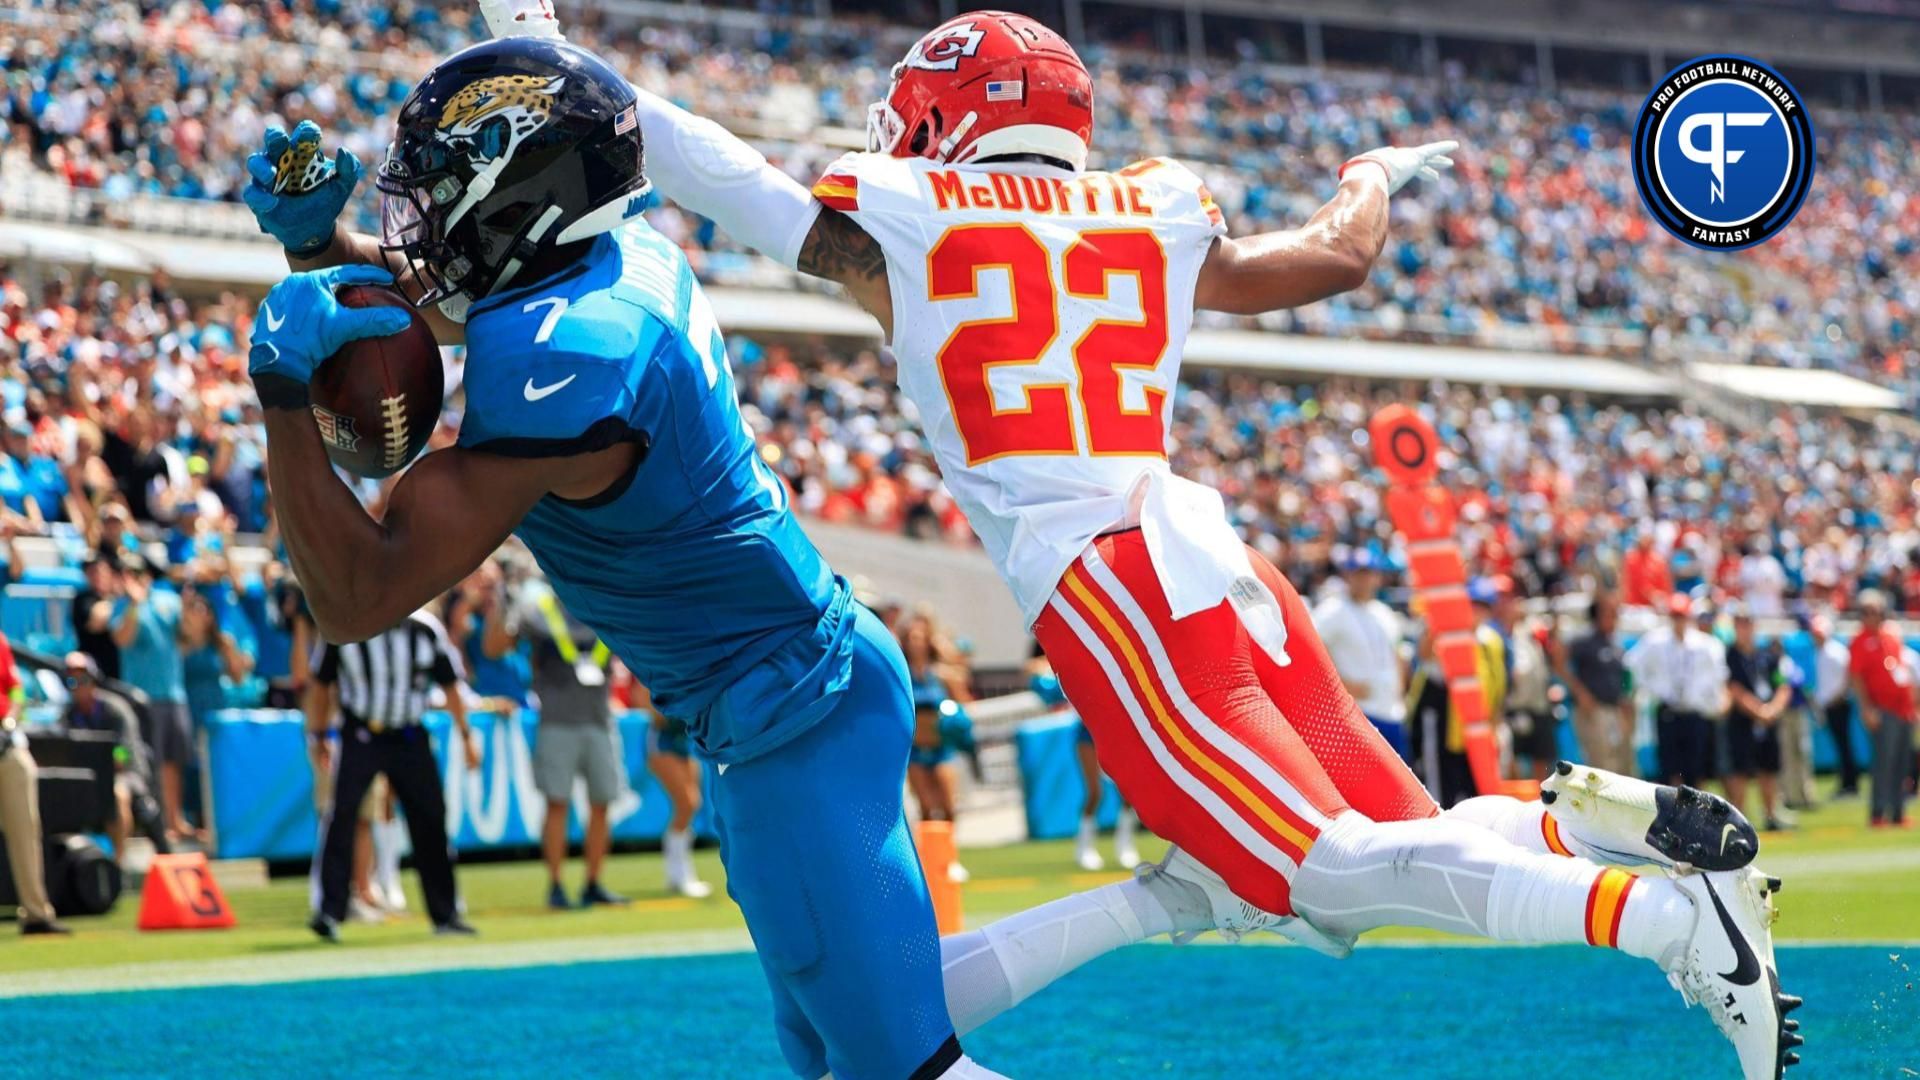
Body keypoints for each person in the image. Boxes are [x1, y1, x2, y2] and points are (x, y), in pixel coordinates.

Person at [571, 8, 1796, 1074]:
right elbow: (1338, 252)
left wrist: (564, 60)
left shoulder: (911, 212)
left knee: (1328, 874)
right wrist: (1372, 168)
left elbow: (728, 176)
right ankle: (1632, 835)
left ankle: (1669, 924)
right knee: (1405, 831)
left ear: (944, 114)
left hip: (1109, 584)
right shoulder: (1149, 206)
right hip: (1217, 563)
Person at [242, 38, 1002, 1076]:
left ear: (524, 195)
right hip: (788, 689)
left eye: (443, 192)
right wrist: (320, 246)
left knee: (908, 1071)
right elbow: (458, 304)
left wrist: (283, 400)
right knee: (843, 1057)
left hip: (789, 714)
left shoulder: (577, 356)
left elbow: (358, 592)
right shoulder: (605, 257)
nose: (415, 220)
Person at [306, 609, 481, 941]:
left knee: (431, 820)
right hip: (361, 733)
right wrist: (318, 734)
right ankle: (329, 911)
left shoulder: (426, 630)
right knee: (342, 816)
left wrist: (466, 735)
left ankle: (446, 913)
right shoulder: (346, 624)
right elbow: (320, 682)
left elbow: (450, 684)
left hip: (409, 735)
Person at [497, 582, 630, 909]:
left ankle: (593, 882)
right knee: (558, 803)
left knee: (602, 803)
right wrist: (498, 605)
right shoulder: (541, 609)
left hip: (599, 718)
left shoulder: (604, 604)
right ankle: (556, 884)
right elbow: (496, 647)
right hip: (558, 720)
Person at [111, 555, 199, 843]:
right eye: (127, 573)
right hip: (142, 698)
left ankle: (175, 819)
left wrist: (187, 610)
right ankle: (158, 825)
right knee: (151, 761)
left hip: (174, 693)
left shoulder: (167, 600)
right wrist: (135, 604)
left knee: (175, 759)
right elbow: (122, 639)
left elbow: (188, 640)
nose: (132, 578)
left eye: (137, 573)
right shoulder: (122, 606)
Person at [58, 652, 168, 866]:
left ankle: (118, 863)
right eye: (72, 682)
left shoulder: (116, 710)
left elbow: (124, 753)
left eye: (83, 680)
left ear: (94, 680)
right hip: (89, 779)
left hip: (128, 775)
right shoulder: (68, 716)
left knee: (116, 793)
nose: (78, 687)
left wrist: (105, 762)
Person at [0, 633, 68, 934]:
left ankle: (36, 913)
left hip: (7, 747)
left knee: (26, 830)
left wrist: (9, 723)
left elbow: (16, 689)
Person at [1626, 592, 1729, 790]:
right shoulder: (1655, 641)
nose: (1678, 621)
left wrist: (1716, 701)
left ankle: (1692, 815)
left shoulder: (1704, 644)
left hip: (1694, 712)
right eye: (1675, 616)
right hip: (1667, 710)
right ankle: (1670, 815)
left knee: (1695, 769)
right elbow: (1633, 666)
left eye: (1681, 616)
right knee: (1668, 767)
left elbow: (1718, 676)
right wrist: (1646, 690)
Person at [1309, 550, 1407, 756]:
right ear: (1348, 576)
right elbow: (1311, 646)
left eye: (1369, 573)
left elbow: (1396, 653)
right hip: (1358, 713)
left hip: (1391, 710)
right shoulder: (1332, 610)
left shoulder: (1383, 613)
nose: (1364, 579)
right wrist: (1340, 685)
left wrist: (1401, 689)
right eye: (1359, 573)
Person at [631, 675, 710, 899]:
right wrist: (670, 712)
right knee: (688, 803)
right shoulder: (655, 664)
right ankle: (679, 873)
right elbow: (642, 698)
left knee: (692, 804)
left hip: (684, 739)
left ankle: (679, 873)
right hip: (663, 740)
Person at [1848, 591, 1915, 828]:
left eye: (1875, 611)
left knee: (1901, 762)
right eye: (1866, 612)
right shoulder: (1860, 641)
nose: (1871, 616)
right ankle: (1878, 813)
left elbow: (1902, 673)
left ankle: (1897, 811)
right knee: (1883, 763)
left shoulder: (1890, 637)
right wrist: (1866, 709)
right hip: (1882, 708)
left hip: (1902, 709)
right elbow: (1856, 678)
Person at [1723, 605, 1788, 832]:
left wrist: (1773, 709)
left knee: (1768, 768)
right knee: (1740, 771)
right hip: (1742, 720)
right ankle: (1740, 821)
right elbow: (1733, 687)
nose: (1744, 628)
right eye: (1740, 623)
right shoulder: (1729, 655)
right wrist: (1758, 711)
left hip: (1767, 718)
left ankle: (1771, 814)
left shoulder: (1766, 655)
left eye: (1747, 622)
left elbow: (1782, 684)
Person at [1556, 592, 1635, 777]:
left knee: (1622, 763)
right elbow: (1558, 661)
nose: (1613, 618)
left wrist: (1625, 698)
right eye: (1608, 613)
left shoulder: (1616, 642)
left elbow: (1622, 676)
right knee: (1601, 765)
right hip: (1593, 710)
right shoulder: (1584, 640)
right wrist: (1579, 692)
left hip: (1615, 710)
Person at [1807, 614, 1861, 798]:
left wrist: (1837, 697)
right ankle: (1847, 782)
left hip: (1838, 704)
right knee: (1841, 746)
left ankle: (1850, 783)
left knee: (1844, 745)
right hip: (1830, 704)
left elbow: (1849, 677)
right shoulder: (1822, 652)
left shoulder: (1835, 651)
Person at [71, 552, 122, 681]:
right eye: (91, 571)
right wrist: (120, 601)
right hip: (94, 673)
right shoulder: (83, 599)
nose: (96, 575)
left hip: (121, 668)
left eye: (100, 570)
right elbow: (96, 621)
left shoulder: (121, 598)